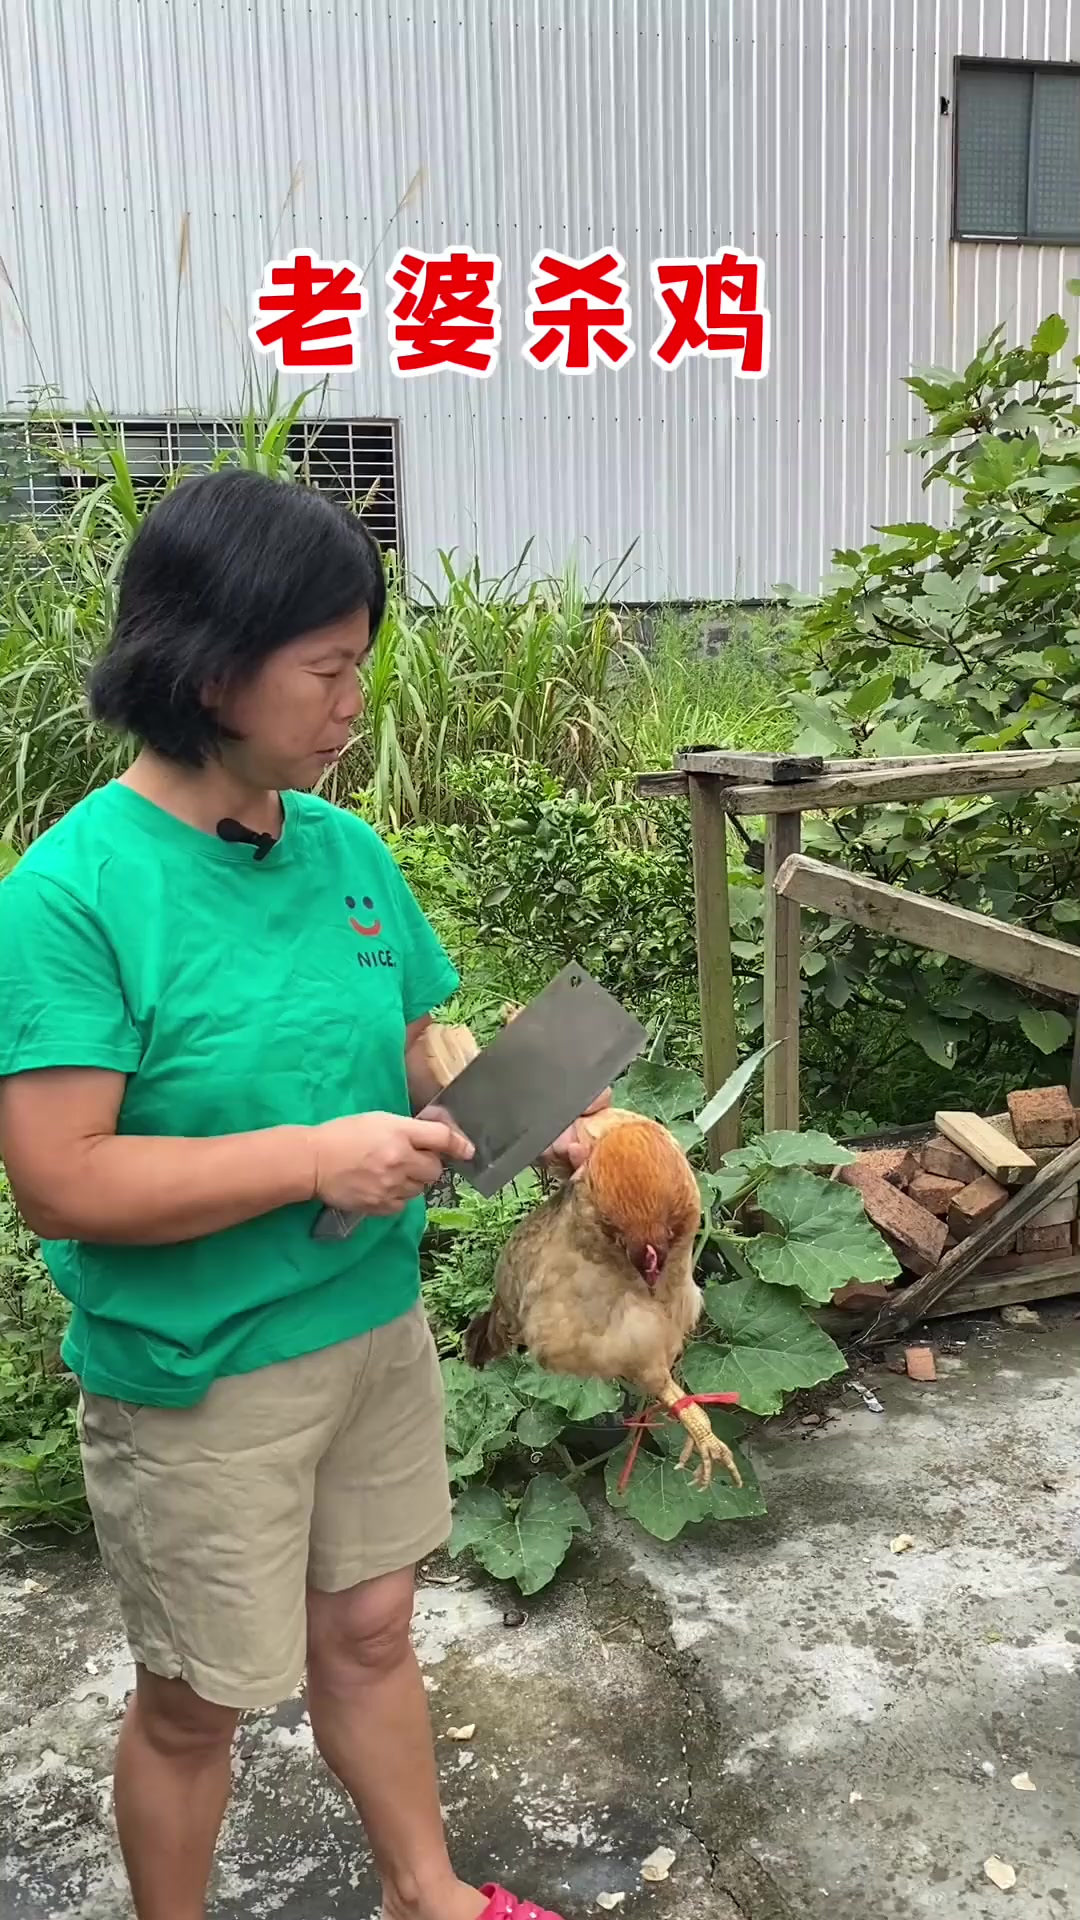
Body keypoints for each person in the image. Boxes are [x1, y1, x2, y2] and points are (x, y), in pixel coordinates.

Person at [0, 469, 605, 1920]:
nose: (353, 706)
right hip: (202, 1377)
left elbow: (416, 1032)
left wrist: (486, 1084)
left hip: (368, 1329)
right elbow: (60, 1180)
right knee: (197, 1702)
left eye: (361, 668)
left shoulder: (343, 851)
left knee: (376, 1628)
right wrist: (316, 1157)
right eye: (328, 671)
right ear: (210, 672)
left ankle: (426, 1893)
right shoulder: (73, 894)